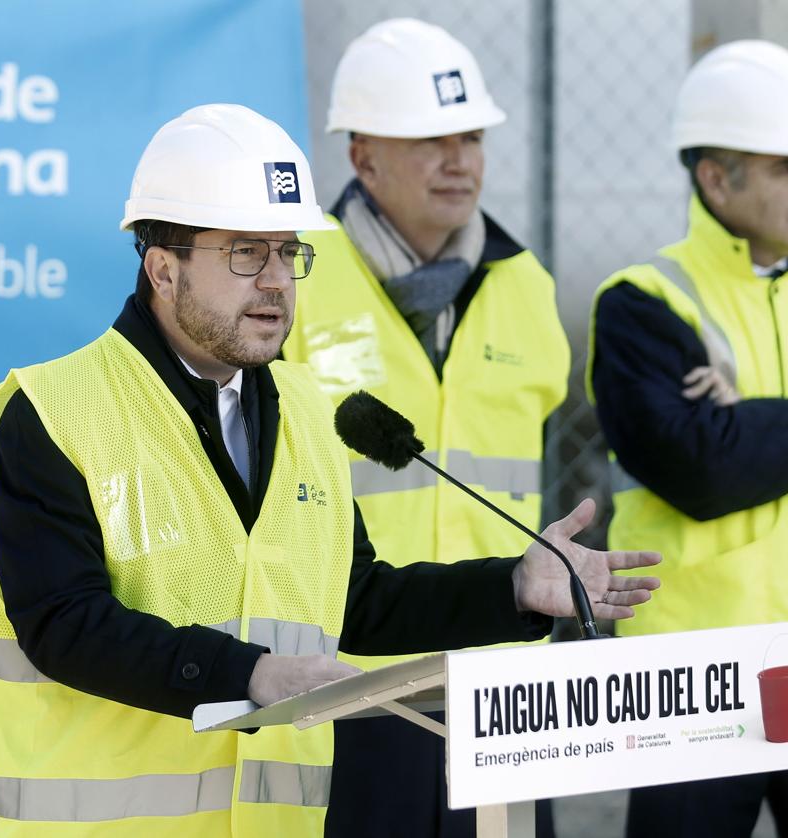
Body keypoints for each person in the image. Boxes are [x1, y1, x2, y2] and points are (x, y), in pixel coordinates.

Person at [0, 103, 660, 837]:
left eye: (286, 253)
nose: (274, 282)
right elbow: (63, 623)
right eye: (244, 253)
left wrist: (510, 588)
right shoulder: (52, 411)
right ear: (162, 269)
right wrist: (248, 673)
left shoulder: (305, 407)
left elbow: (355, 602)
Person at [282, 18, 569, 837]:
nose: (459, 161)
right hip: (356, 676)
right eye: (429, 140)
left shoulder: (526, 285)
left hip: (507, 681)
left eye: (470, 137)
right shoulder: (294, 278)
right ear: (361, 155)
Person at [587, 40, 788, 838]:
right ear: (715, 177)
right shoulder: (642, 304)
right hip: (698, 679)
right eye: (785, 166)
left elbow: (732, 453)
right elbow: (701, 471)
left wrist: (756, 432)